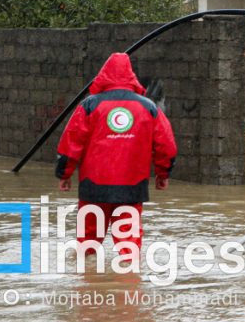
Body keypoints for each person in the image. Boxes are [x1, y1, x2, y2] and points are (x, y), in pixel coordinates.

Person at [55, 53, 177, 256]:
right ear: (131, 75)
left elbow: (71, 143)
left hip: (93, 188)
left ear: (103, 74)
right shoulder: (149, 107)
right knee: (129, 250)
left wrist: (64, 175)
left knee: (87, 245)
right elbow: (167, 147)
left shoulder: (89, 105)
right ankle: (129, 285)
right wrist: (163, 175)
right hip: (132, 188)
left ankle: (88, 285)